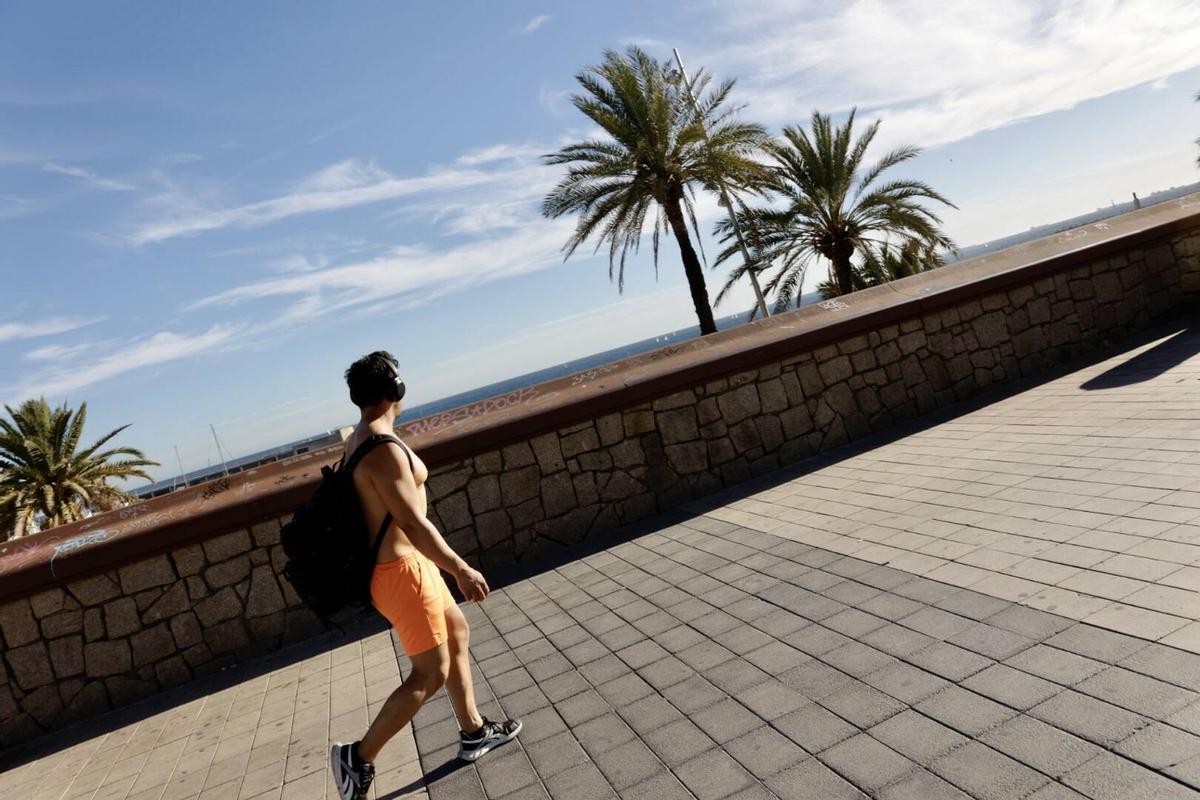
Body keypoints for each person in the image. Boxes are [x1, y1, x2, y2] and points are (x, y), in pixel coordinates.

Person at [330, 351, 521, 800]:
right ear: (395, 389)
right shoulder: (382, 450)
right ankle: (358, 757)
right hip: (403, 572)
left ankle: (473, 730)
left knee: (456, 632)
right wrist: (459, 567)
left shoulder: (359, 439)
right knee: (429, 674)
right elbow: (413, 523)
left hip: (403, 568)